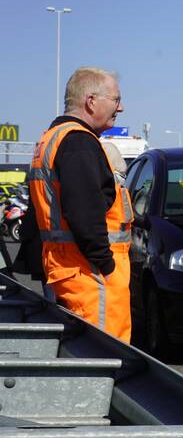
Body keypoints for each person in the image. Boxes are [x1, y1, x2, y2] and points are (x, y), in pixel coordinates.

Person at [28, 67, 133, 341]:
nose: (120, 108)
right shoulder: (79, 143)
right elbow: (84, 214)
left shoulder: (52, 138)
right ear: (91, 101)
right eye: (115, 99)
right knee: (105, 357)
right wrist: (106, 266)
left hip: (71, 269)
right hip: (90, 274)